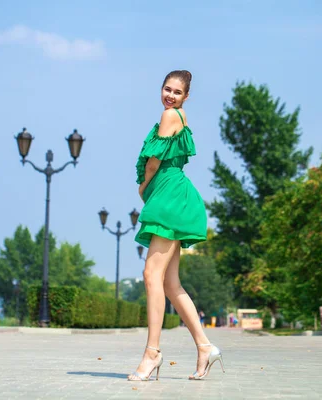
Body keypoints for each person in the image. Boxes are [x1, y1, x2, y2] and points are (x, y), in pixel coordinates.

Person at [127, 70, 224, 382]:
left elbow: (154, 161)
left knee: (150, 274)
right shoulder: (177, 116)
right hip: (173, 194)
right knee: (170, 283)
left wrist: (144, 186)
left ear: (186, 97)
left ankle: (152, 353)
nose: (170, 96)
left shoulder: (169, 115)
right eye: (166, 89)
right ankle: (205, 346)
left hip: (169, 195)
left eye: (177, 92)